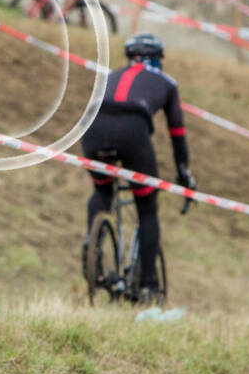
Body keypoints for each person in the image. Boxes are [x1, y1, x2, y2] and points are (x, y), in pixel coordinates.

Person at [81, 32, 196, 302]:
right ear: (158, 59)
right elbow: (177, 132)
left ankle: (93, 250)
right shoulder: (167, 82)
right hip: (132, 130)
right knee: (146, 207)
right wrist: (183, 172)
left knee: (102, 191)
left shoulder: (111, 75)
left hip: (93, 127)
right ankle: (147, 285)